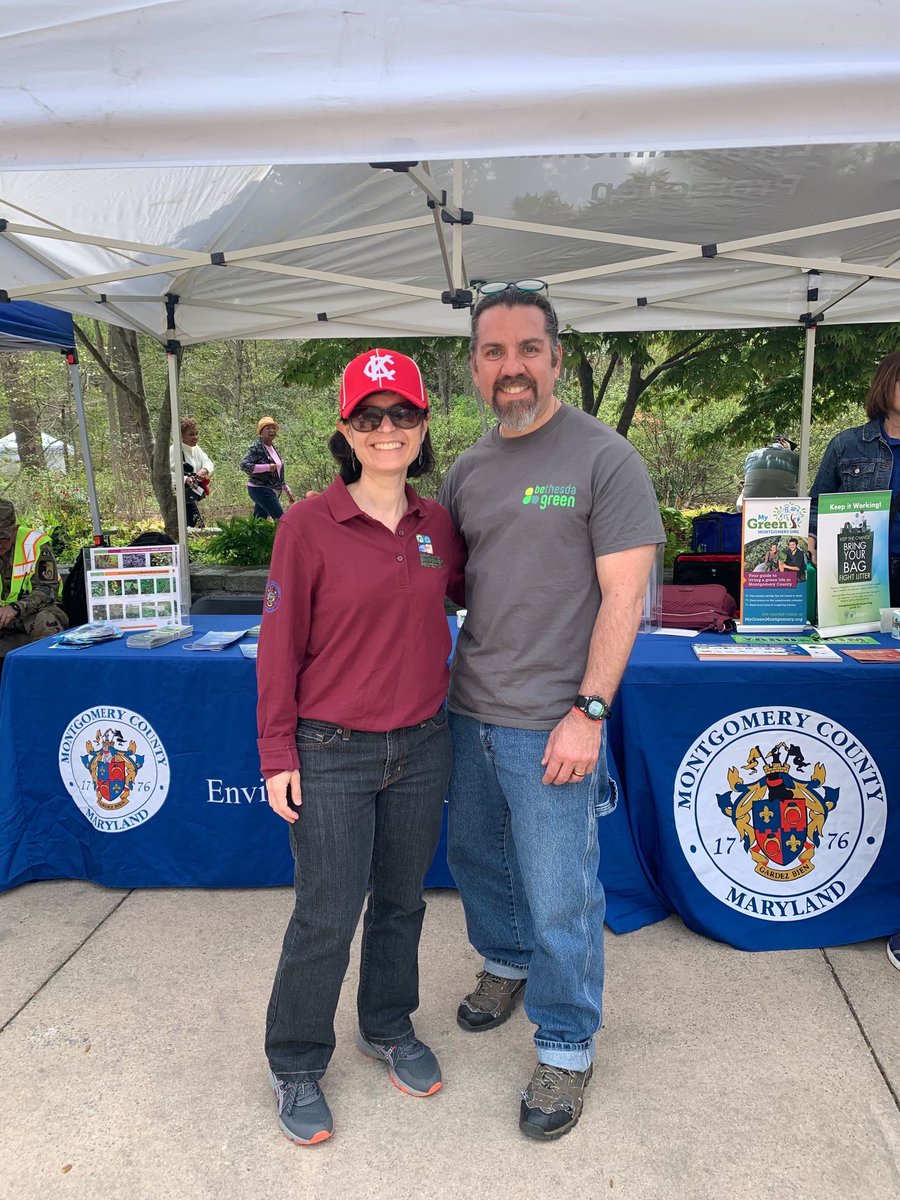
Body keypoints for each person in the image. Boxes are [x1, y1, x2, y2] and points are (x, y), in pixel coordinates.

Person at [439, 283, 665, 1140]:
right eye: (493, 352)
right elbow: (445, 586)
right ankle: (506, 960)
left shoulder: (606, 458)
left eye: (527, 349)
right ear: (474, 366)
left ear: (557, 358)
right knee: (478, 858)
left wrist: (589, 712)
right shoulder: (466, 471)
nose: (512, 367)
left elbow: (624, 597)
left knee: (561, 891)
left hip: (555, 722)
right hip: (470, 709)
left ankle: (567, 1045)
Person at [256, 349, 465, 1146]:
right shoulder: (307, 525)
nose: (387, 429)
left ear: (422, 426)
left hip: (422, 744)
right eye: (369, 416)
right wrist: (278, 753)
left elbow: (480, 596)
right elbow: (278, 647)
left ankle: (386, 1024)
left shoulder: (437, 525)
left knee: (404, 902)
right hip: (332, 750)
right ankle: (295, 1059)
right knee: (327, 913)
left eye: (402, 414)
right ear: (346, 431)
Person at [807, 351, 900, 975]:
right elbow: (815, 512)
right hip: (859, 596)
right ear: (886, 384)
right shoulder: (848, 445)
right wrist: (814, 542)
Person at [0, 498, 68, 670]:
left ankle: (46, 672)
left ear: (14, 530)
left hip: (32, 611)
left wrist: (16, 608)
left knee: (46, 619)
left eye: (3, 538)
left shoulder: (35, 544)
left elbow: (48, 589)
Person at [241, 418, 294, 520]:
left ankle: (255, 531)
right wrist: (267, 467)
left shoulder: (273, 448)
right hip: (260, 488)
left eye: (273, 428)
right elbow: (244, 465)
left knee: (259, 521)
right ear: (261, 432)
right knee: (281, 519)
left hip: (272, 490)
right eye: (268, 428)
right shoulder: (256, 448)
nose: (272, 431)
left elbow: (279, 472)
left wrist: (287, 490)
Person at [170, 417, 214, 528]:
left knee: (193, 526)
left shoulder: (196, 449)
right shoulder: (174, 450)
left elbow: (208, 462)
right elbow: (168, 474)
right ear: (181, 435)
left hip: (190, 494)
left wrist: (203, 470)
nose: (195, 437)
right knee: (197, 525)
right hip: (178, 495)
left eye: (196, 434)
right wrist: (185, 479)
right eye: (191, 434)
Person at [740, 433, 800, 501]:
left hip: (750, 502)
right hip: (784, 504)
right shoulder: (794, 456)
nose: (791, 449)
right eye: (790, 446)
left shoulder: (751, 455)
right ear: (782, 441)